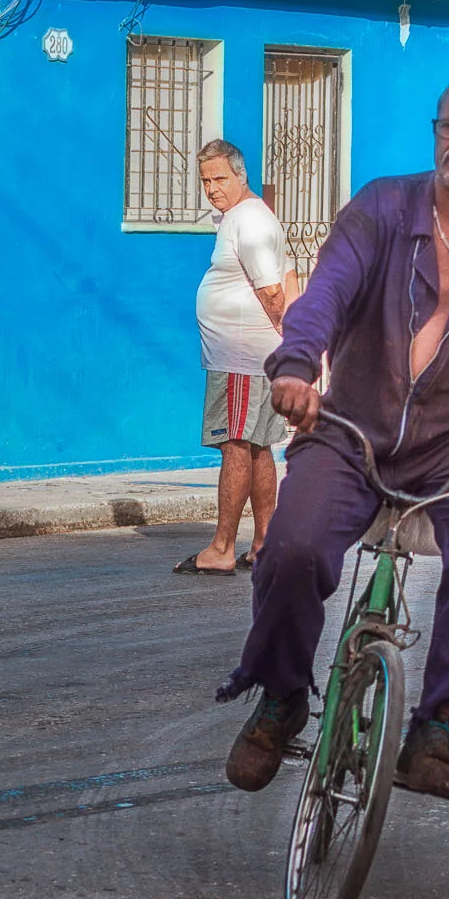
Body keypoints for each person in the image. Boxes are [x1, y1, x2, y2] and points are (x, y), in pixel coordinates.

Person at [220, 74, 449, 802]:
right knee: (288, 547)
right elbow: (323, 295)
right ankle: (282, 695)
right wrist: (293, 366)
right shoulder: (383, 207)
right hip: (350, 429)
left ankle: (437, 722)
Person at [173, 139, 289, 578]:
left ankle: (222, 547)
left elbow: (273, 291)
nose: (212, 188)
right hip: (251, 356)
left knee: (236, 445)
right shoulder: (254, 217)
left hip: (241, 357)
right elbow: (289, 273)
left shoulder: (250, 221)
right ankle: (264, 543)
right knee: (258, 447)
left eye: (220, 178)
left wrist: (288, 335)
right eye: (205, 180)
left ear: (241, 176)